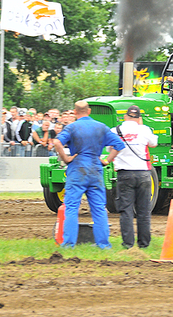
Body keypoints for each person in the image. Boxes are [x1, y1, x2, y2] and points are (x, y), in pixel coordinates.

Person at [53, 100, 125, 249]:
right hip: (95, 168)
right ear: (89, 111)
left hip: (77, 169)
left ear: (75, 112)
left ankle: (68, 243)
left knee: (72, 207)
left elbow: (57, 142)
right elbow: (119, 145)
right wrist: (107, 160)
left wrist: (66, 159)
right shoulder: (101, 127)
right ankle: (103, 244)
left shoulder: (72, 127)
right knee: (99, 208)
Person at [109, 105, 158, 249]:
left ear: (125, 117)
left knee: (126, 210)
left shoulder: (116, 131)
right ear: (138, 118)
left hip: (124, 174)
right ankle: (144, 243)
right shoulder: (144, 129)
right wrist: (141, 127)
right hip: (143, 173)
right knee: (143, 211)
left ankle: (128, 244)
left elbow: (109, 149)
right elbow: (154, 144)